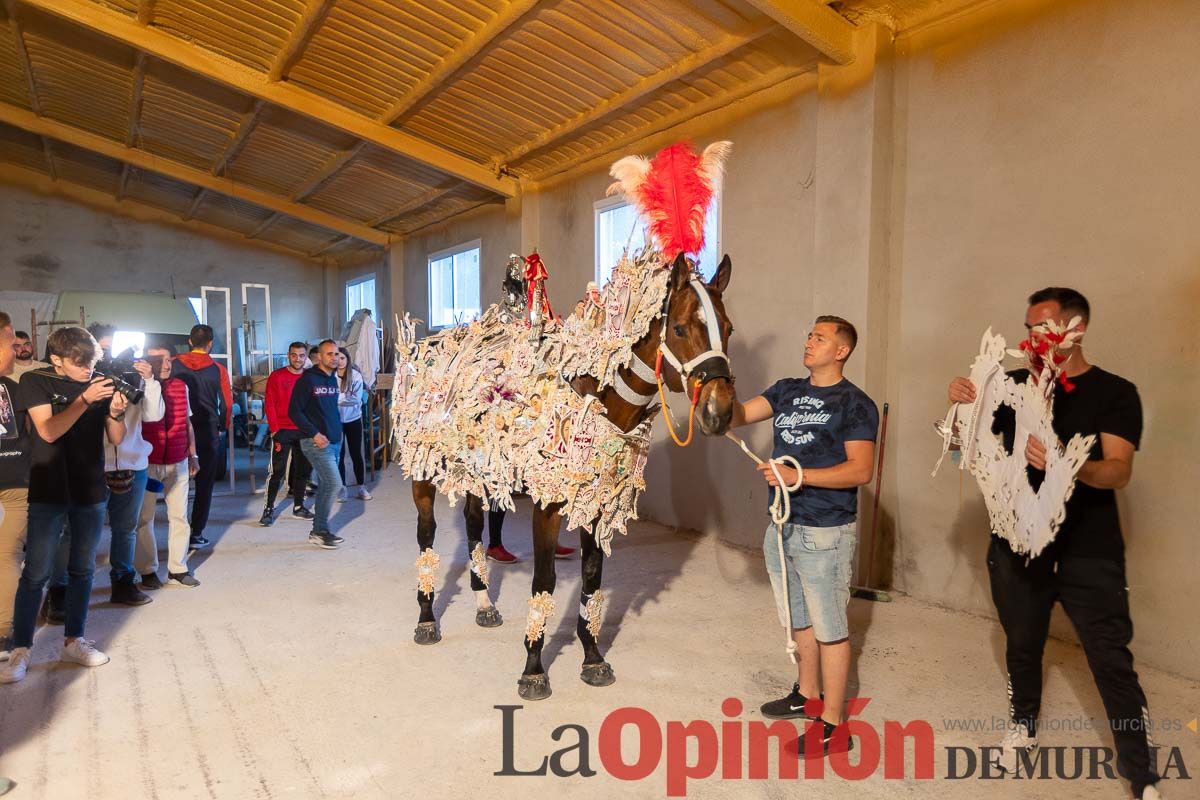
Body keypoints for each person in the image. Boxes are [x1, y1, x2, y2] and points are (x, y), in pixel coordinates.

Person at [947, 288, 1160, 800]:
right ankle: (1024, 727)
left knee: (1110, 658)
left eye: (1042, 327)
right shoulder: (1013, 385)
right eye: (1027, 327)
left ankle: (1141, 770)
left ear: (1075, 328)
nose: (1031, 338)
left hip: (1089, 550)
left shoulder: (1114, 392)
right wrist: (962, 403)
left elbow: (1118, 471)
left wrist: (1067, 465)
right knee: (1021, 644)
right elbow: (969, 449)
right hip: (1017, 545)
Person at [729, 315, 878, 754]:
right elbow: (737, 415)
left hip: (825, 531)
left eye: (821, 338)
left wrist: (798, 474)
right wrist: (712, 389)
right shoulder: (787, 389)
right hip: (782, 524)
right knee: (799, 618)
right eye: (810, 335)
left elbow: (861, 470)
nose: (809, 342)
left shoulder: (855, 404)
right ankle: (808, 695)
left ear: (842, 350)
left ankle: (834, 724)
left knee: (830, 626)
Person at [1, 326, 128, 683]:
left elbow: (116, 438)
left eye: (92, 362)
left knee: (83, 569)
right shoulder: (35, 381)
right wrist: (84, 400)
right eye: (79, 363)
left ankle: (74, 640)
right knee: (36, 573)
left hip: (89, 489)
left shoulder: (99, 381)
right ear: (56, 360)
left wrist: (116, 412)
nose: (88, 370)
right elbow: (49, 431)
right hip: (48, 488)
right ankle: (21, 650)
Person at [101, 349, 164, 605]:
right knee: (79, 531)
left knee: (126, 529)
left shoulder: (135, 383)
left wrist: (149, 380)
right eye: (104, 351)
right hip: (95, 465)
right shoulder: (88, 381)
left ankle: (123, 583)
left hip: (133, 463)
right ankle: (62, 589)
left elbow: (154, 415)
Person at [136, 345, 201, 588]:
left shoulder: (180, 386)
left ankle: (178, 568)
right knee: (144, 519)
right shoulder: (137, 387)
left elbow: (187, 423)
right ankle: (147, 570)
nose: (166, 364)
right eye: (160, 360)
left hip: (178, 461)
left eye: (169, 359)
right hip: (148, 464)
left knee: (180, 517)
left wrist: (193, 455)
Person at [171, 324, 231, 550]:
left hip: (177, 427)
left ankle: (176, 532)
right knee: (204, 483)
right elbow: (226, 404)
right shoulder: (218, 369)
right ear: (210, 343)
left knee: (176, 482)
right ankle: (196, 533)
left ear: (189, 341)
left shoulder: (174, 364)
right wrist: (222, 427)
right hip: (206, 429)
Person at [289, 340, 343, 550]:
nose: (334, 357)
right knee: (333, 484)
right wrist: (315, 433)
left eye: (337, 353)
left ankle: (319, 530)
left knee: (326, 485)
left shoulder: (332, 379)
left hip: (334, 441)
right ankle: (319, 531)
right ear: (319, 357)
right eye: (329, 354)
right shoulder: (308, 380)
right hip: (315, 442)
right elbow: (294, 411)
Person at [0, 314, 32, 660]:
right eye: (11, 343)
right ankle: (4, 633)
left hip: (14, 481)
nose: (16, 351)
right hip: (13, 482)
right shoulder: (14, 388)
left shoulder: (15, 386)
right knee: (7, 556)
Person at [259, 342, 313, 526]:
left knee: (302, 471)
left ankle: (299, 507)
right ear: (288, 356)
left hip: (304, 431)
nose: (297, 359)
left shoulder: (310, 377)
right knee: (277, 471)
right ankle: (268, 509)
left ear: (306, 357)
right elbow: (270, 403)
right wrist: (274, 429)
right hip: (282, 430)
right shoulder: (277, 376)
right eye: (294, 355)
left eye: (301, 355)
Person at [334, 347, 371, 501]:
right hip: (336, 420)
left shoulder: (355, 376)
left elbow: (356, 400)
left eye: (343, 358)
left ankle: (361, 488)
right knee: (339, 455)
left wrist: (337, 399)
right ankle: (342, 489)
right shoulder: (330, 375)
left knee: (356, 454)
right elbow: (328, 399)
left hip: (354, 419)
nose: (340, 361)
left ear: (347, 359)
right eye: (337, 358)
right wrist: (344, 399)